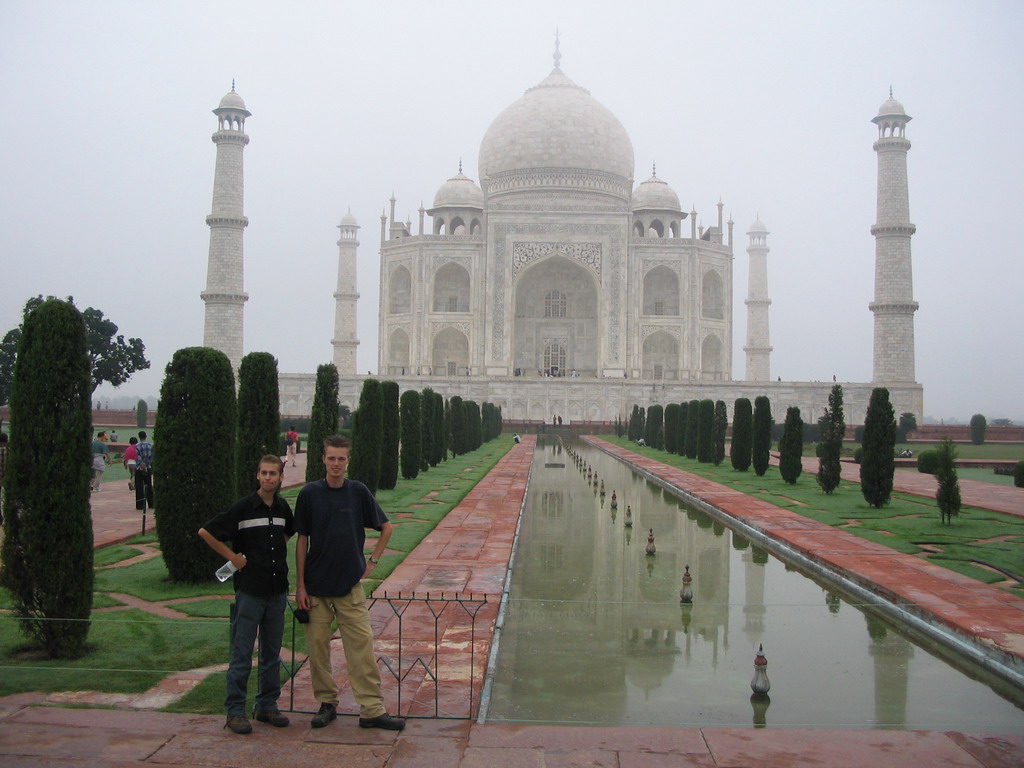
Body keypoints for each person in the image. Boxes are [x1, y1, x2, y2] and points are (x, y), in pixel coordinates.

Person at [294, 435, 405, 731]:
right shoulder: (310, 494)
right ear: (323, 459)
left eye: (341, 458)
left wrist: (373, 562)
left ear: (348, 461)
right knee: (318, 651)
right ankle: (327, 703)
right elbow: (302, 540)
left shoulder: (358, 492)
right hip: (316, 586)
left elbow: (386, 527)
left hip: (349, 585)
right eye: (331, 458)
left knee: (361, 649)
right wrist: (300, 585)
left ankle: (371, 709)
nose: (336, 464)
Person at [199, 455, 294, 735]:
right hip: (251, 590)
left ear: (280, 478)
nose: (268, 478)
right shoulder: (243, 508)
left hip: (276, 591)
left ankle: (266, 705)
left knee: (271, 653)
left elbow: (288, 533)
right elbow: (206, 531)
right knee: (242, 653)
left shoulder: (282, 507)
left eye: (273, 474)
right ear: (257, 476)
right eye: (263, 473)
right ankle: (235, 711)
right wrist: (233, 557)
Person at [134, 430, 154, 511]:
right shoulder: (150, 445)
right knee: (149, 485)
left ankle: (140, 505)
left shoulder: (137, 446)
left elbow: (137, 457)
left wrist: (142, 465)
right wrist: (146, 465)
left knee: (139, 487)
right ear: (146, 436)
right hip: (148, 467)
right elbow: (152, 457)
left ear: (139, 437)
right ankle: (151, 503)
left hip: (139, 468)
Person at [0, 432, 8, 526]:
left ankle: (0, 519)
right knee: (9, 498)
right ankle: (9, 517)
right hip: (8, 478)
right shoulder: (10, 451)